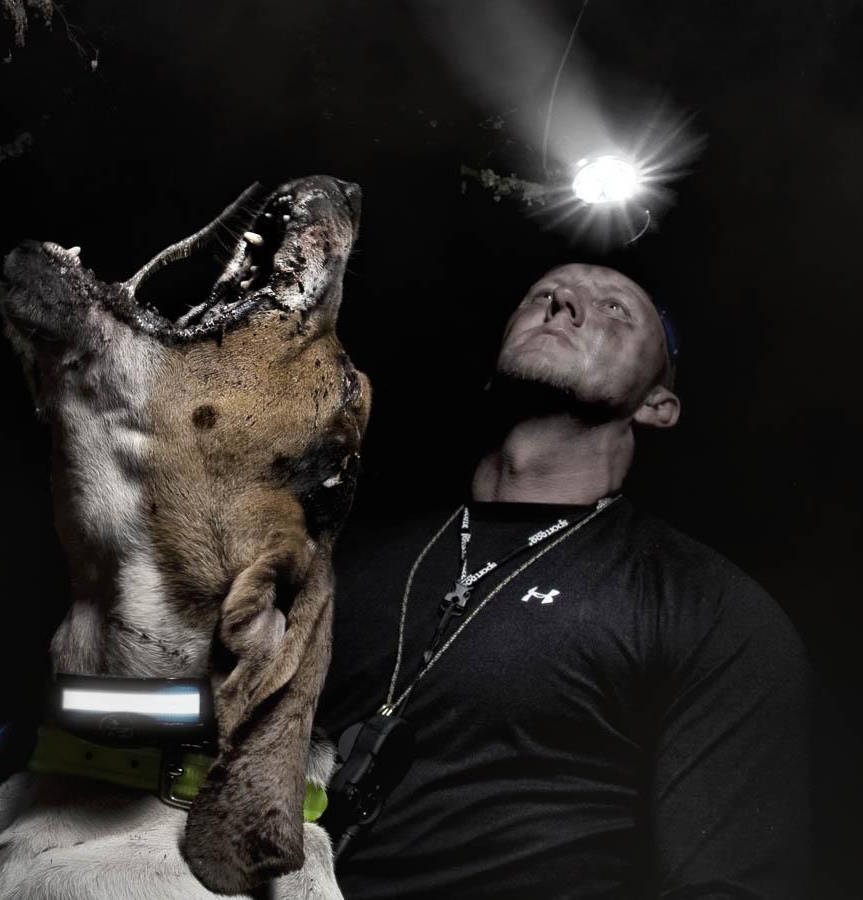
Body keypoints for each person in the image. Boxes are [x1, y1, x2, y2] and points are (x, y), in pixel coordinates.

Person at [316, 263, 810, 899]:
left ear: (658, 404)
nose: (563, 306)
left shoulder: (708, 607)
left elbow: (733, 885)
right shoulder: (348, 555)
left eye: (614, 311)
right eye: (543, 296)